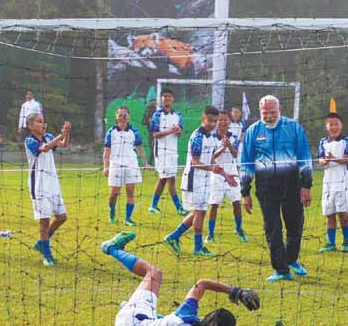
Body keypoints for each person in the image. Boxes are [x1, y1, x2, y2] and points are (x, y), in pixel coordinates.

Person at [100, 230, 261, 326]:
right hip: (138, 320)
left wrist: (237, 292)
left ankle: (112, 248)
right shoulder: (187, 317)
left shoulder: (186, 314)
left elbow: (202, 284)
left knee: (154, 274)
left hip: (131, 320)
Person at [239, 95, 313, 282]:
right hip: (266, 186)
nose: (269, 116)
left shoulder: (293, 127)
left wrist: (306, 185)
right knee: (272, 227)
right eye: (265, 113)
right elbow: (246, 163)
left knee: (295, 224)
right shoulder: (252, 131)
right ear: (260, 112)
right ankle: (281, 270)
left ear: (280, 110)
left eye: (273, 112)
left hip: (292, 184)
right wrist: (245, 191)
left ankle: (291, 259)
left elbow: (304, 156)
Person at [163, 106, 231, 258]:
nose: (213, 124)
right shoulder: (197, 137)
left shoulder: (212, 137)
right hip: (194, 180)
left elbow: (212, 158)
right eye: (210, 121)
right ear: (203, 119)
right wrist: (211, 168)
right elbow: (195, 162)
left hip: (205, 180)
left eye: (215, 121)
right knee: (199, 212)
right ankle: (198, 248)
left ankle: (173, 237)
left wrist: (224, 171)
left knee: (198, 212)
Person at [24, 113, 70, 267]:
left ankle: (41, 244)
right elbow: (44, 148)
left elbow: (63, 144)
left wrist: (66, 133)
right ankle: (47, 255)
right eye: (39, 122)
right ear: (31, 126)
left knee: (62, 217)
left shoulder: (49, 136)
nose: (43, 124)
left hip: (53, 184)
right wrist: (61, 135)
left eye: (44, 121)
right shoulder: (30, 140)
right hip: (39, 186)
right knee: (44, 221)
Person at [206, 111, 246, 244]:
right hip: (217, 173)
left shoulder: (233, 137)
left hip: (232, 172)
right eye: (220, 120)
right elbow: (212, 157)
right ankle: (210, 234)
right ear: (217, 122)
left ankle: (239, 229)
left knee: (236, 202)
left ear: (229, 122)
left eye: (225, 120)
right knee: (214, 204)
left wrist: (229, 145)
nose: (223, 122)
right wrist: (223, 147)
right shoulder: (211, 138)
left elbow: (235, 154)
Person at [104, 106, 148, 227]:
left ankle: (128, 218)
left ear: (128, 117)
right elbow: (106, 151)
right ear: (116, 117)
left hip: (131, 164)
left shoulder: (134, 131)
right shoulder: (111, 132)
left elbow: (140, 148)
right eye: (120, 114)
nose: (123, 117)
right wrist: (106, 166)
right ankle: (112, 212)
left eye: (125, 115)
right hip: (115, 164)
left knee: (130, 191)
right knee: (114, 193)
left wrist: (145, 163)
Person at [317, 112, 348, 253]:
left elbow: (345, 160)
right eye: (330, 124)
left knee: (343, 214)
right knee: (329, 213)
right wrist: (324, 161)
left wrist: (332, 158)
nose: (333, 127)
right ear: (326, 127)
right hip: (328, 182)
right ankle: (331, 243)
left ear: (341, 125)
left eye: (336, 124)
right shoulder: (323, 142)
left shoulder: (347, 140)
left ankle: (346, 242)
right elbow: (320, 160)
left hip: (343, 182)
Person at [149, 89, 185, 216]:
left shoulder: (178, 115)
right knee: (171, 179)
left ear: (173, 99)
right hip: (161, 152)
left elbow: (180, 133)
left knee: (163, 179)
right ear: (161, 99)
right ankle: (179, 208)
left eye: (169, 96)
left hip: (173, 152)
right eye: (164, 96)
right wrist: (170, 131)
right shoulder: (157, 115)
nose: (167, 98)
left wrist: (177, 131)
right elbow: (155, 134)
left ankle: (153, 206)